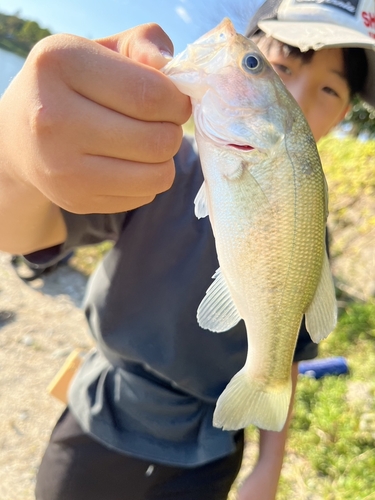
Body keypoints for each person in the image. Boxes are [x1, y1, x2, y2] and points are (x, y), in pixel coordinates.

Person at [0, 0, 374, 498]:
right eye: (271, 66)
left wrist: (269, 468)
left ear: (346, 112)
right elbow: (19, 233)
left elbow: (287, 350)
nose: (297, 94)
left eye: (329, 87)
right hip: (104, 416)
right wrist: (13, 157)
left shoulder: (311, 225)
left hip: (212, 449)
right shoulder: (151, 160)